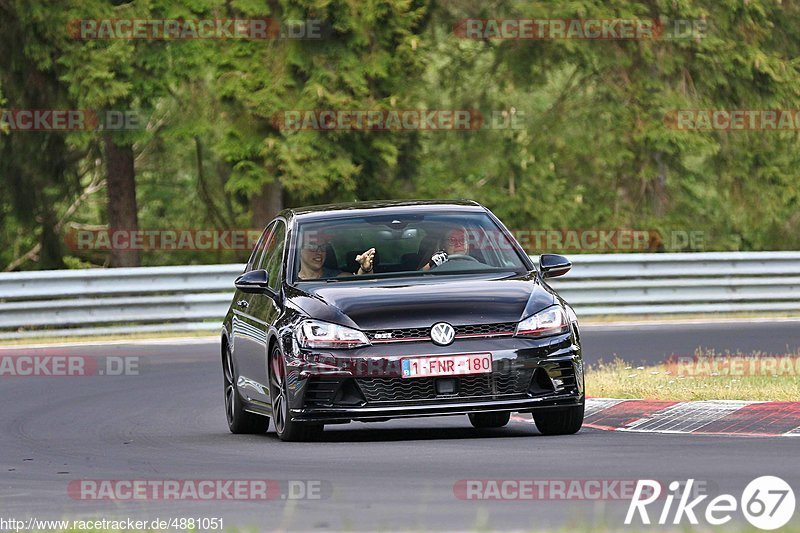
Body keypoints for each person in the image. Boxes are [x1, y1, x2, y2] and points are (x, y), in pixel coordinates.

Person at [298, 241, 375, 280]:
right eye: (312, 247)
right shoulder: (288, 281)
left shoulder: (338, 277)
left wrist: (365, 269)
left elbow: (358, 285)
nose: (319, 252)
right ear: (299, 251)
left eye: (323, 247)